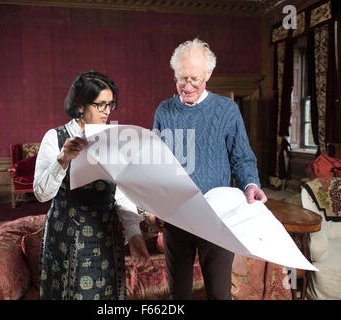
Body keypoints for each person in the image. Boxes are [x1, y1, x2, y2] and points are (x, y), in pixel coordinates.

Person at [152, 38, 267, 300]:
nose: (187, 86)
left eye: (194, 79)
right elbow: (154, 165)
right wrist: (154, 206)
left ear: (208, 74)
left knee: (219, 294)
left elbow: (242, 158)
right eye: (181, 78)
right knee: (178, 296)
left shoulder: (227, 110)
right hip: (176, 216)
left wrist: (251, 184)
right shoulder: (164, 111)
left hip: (217, 217)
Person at [34, 71, 149, 300]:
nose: (107, 111)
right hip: (66, 235)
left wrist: (135, 236)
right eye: (100, 105)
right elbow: (41, 194)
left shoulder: (115, 141)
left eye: (110, 104)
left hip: (106, 236)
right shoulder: (55, 138)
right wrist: (62, 159)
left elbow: (122, 194)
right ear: (79, 106)